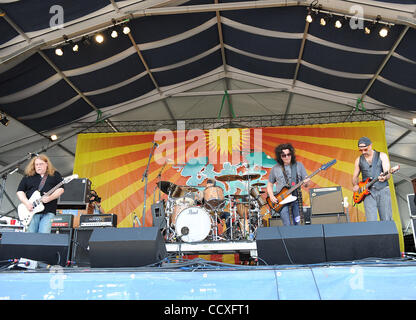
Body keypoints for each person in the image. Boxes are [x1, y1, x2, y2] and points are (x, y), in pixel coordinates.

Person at [16, 154, 65, 233]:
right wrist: (27, 203)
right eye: (36, 164)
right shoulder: (28, 176)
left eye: (41, 164)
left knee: (44, 235)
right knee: (31, 235)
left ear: (46, 164)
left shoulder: (55, 174)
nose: (38, 166)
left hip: (49, 210)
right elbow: (20, 191)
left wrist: (50, 198)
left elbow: (61, 189)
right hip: (31, 210)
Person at [267, 143, 310, 226]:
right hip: (282, 201)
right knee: (287, 224)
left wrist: (307, 182)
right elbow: (270, 184)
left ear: (292, 154)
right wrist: (271, 196)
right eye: (284, 155)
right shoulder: (275, 168)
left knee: (298, 223)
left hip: (296, 198)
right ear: (280, 156)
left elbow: (306, 185)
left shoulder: (299, 165)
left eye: (288, 154)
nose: (287, 157)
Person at [352, 137, 393, 221]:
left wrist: (384, 177)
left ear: (370, 145)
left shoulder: (382, 155)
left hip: (382, 189)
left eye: (365, 149)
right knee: (371, 221)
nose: (363, 152)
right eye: (361, 150)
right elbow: (355, 177)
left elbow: (388, 173)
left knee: (386, 218)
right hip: (367, 193)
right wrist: (355, 185)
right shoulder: (358, 160)